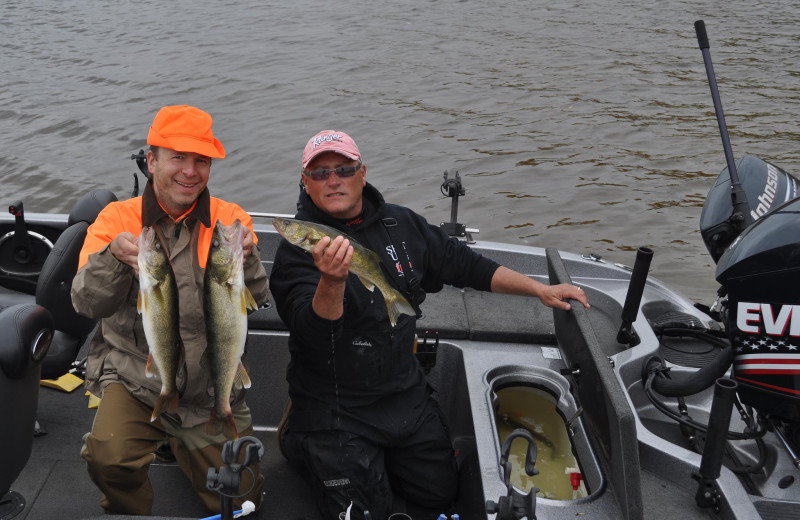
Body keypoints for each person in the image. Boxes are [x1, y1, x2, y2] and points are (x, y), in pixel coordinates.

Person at [269, 129, 590, 520]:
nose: (333, 180)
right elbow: (312, 334)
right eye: (319, 174)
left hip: (400, 390)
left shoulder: (400, 224)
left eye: (343, 169)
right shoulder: (297, 249)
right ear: (306, 183)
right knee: (365, 512)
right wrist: (332, 281)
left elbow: (465, 264)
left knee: (439, 492)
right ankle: (301, 437)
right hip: (334, 402)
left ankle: (378, 458)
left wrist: (539, 289)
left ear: (362, 173)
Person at [71, 105, 269, 515]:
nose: (190, 171)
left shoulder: (230, 221)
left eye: (201, 160)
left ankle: (181, 442)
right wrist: (111, 259)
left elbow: (259, 297)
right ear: (152, 160)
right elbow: (86, 302)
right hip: (137, 379)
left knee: (245, 500)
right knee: (109, 458)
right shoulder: (115, 220)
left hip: (210, 386)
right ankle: (133, 505)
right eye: (177, 157)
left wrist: (246, 261)